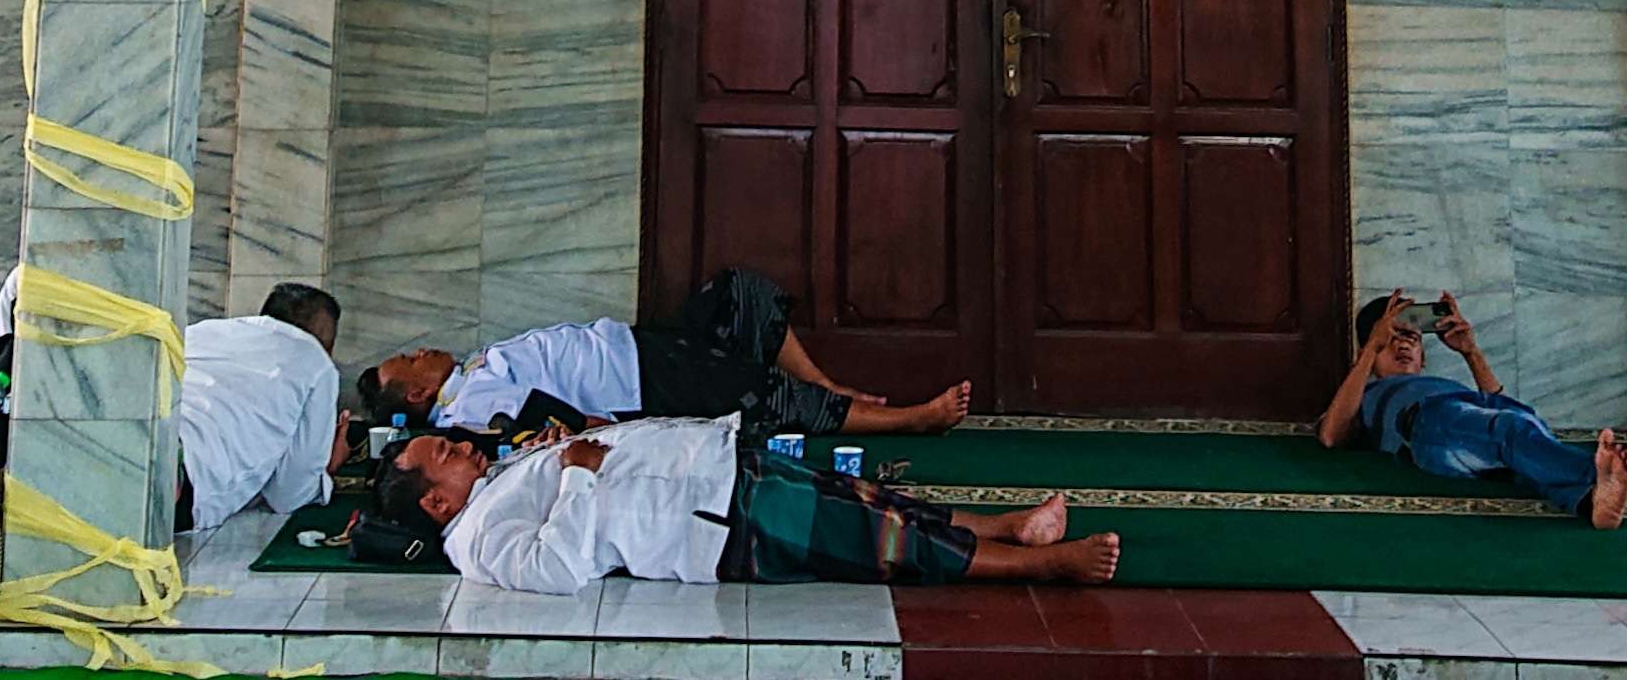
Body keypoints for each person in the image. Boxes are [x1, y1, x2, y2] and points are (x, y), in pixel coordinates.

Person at [384, 413, 1119, 591]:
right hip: (711, 524)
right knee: (878, 541)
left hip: (713, 467)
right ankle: (1041, 567)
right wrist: (575, 470)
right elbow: (555, 569)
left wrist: (565, 447)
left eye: (447, 443)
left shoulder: (497, 477)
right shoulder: (475, 542)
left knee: (873, 502)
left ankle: (1009, 527)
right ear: (437, 507)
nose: (459, 448)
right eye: (442, 459)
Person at [359, 268, 967, 440]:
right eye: (409, 361)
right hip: (643, 384)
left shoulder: (468, 370)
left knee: (737, 298)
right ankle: (912, 419)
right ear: (416, 393)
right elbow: (532, 414)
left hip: (638, 345)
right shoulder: (465, 403)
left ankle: (833, 388)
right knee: (764, 396)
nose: (421, 352)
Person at [1317, 290, 1627, 531]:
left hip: (1471, 414)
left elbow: (1499, 404)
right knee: (1512, 430)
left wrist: (1470, 352)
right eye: (1391, 338)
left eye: (1412, 338)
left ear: (1424, 357)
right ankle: (1621, 480)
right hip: (1428, 426)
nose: (1403, 344)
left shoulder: (1441, 382)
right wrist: (1370, 349)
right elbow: (1331, 436)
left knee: (1525, 428)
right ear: (1371, 350)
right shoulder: (1370, 391)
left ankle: (1597, 500)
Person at [177, 280, 348, 530]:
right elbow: (288, 495)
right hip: (189, 477)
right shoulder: (316, 363)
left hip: (148, 438)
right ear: (327, 342)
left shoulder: (200, 331)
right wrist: (329, 467)